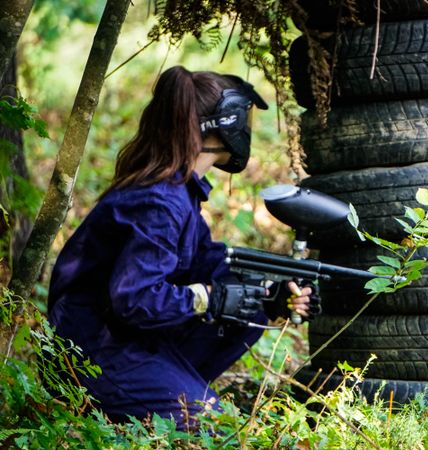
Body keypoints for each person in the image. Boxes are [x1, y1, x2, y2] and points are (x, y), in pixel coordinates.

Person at [47, 65, 321, 427]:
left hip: (119, 338)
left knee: (248, 303)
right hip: (91, 350)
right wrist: (208, 297)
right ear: (222, 124)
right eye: (242, 119)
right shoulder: (160, 202)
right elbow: (134, 298)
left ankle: (170, 388)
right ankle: (163, 402)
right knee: (208, 421)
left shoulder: (176, 191)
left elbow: (205, 264)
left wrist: (271, 296)